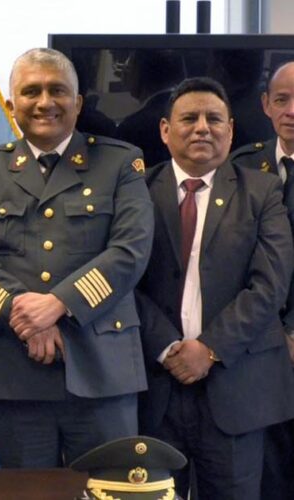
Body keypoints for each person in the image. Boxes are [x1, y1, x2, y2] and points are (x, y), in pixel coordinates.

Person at [0, 47, 154, 468]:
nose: (45, 102)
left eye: (57, 90)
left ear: (78, 102)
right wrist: (24, 319)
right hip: (14, 368)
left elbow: (130, 251)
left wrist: (58, 304)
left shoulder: (121, 162)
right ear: (12, 106)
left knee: (109, 491)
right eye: (31, 91)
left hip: (102, 367)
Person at [135, 76, 294, 499]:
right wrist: (170, 347)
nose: (202, 127)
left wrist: (208, 349)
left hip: (237, 385)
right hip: (155, 387)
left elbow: (271, 284)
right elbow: (121, 282)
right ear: (166, 131)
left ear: (230, 130)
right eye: (189, 118)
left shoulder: (262, 191)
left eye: (214, 119)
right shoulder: (135, 192)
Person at [229, 61, 294, 500]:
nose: (292, 110)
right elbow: (228, 261)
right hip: (259, 345)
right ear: (265, 106)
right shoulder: (242, 169)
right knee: (267, 476)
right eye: (283, 99)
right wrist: (276, 332)